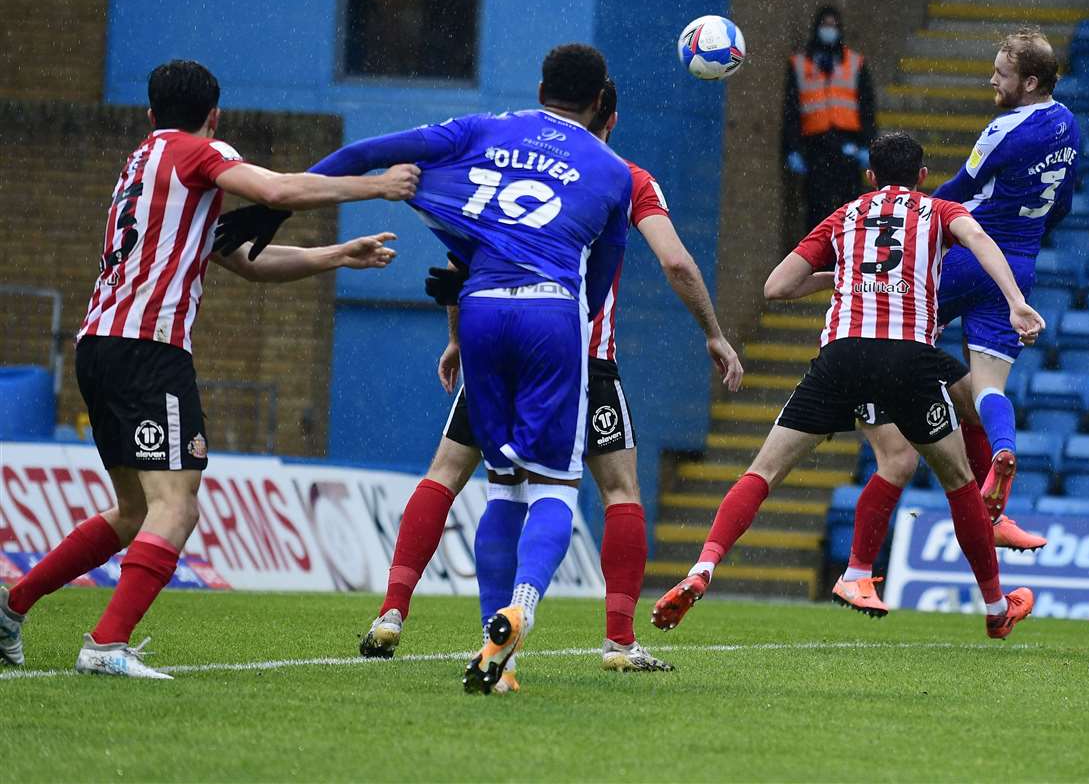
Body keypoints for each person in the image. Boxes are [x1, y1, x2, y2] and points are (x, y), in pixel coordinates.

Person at [0, 60, 414, 678]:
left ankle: (11, 607)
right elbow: (275, 191)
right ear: (213, 116)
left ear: (149, 113)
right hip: (149, 349)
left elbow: (244, 261)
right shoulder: (198, 152)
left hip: (99, 344)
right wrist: (374, 185)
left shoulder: (142, 167)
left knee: (136, 511)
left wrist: (337, 256)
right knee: (178, 503)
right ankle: (106, 644)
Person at [266, 44, 632, 693]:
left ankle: (497, 658)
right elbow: (599, 279)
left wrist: (279, 204)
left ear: (540, 84)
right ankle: (521, 607)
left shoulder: (483, 130)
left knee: (498, 486)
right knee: (552, 486)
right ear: (601, 102)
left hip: (481, 308)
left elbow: (368, 155)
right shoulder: (611, 170)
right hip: (552, 314)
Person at [354, 79, 745, 682]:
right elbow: (674, 260)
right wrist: (714, 333)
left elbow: (464, 259)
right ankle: (617, 640)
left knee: (451, 475)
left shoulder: (504, 165)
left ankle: (392, 613)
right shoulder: (626, 175)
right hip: (577, 353)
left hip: (494, 342)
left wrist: (458, 337)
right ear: (608, 117)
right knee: (616, 491)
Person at [650, 132, 1044, 639]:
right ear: (922, 176)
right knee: (959, 480)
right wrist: (1013, 301)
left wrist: (844, 275)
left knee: (763, 472)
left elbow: (777, 286)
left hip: (842, 356)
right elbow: (981, 241)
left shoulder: (845, 215)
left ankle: (702, 567)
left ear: (871, 176)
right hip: (909, 356)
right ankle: (995, 607)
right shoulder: (939, 210)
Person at [835, 28, 1077, 615]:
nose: (991, 81)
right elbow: (1064, 200)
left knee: (888, 326)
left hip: (967, 257)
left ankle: (856, 404)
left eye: (1000, 73)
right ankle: (1001, 466)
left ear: (1030, 82)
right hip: (1018, 264)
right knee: (984, 389)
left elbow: (952, 192)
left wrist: (900, 214)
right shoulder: (1069, 124)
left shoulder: (1002, 131)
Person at [782, 6, 876, 231]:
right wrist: (791, 149)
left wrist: (868, 146)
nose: (829, 30)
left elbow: (867, 109)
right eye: (825, 25)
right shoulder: (800, 64)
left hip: (848, 147)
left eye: (833, 25)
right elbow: (791, 112)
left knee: (851, 211)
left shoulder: (855, 63)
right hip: (815, 148)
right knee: (816, 213)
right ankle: (819, 264)